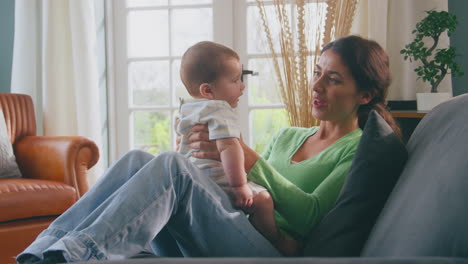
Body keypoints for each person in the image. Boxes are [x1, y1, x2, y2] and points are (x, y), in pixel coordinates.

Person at [17, 35, 401, 263]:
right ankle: (46, 246)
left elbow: (309, 216)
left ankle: (82, 253)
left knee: (170, 167)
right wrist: (205, 156)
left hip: (269, 251)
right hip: (232, 227)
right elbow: (241, 192)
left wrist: (247, 159)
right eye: (317, 72)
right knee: (140, 158)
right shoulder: (287, 136)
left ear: (364, 95)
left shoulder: (357, 149)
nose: (317, 86)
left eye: (332, 79)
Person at [176, 41, 299, 255]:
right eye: (235, 80)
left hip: (195, 183)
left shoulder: (185, 110)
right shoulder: (220, 110)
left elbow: (180, 146)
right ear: (208, 90)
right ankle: (275, 239)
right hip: (222, 185)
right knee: (263, 199)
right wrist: (240, 185)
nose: (242, 86)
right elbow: (230, 148)